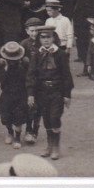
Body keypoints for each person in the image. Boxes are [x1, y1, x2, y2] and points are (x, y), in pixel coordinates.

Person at [26, 26, 74, 160]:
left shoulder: (60, 54)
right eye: (43, 37)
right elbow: (31, 74)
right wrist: (31, 93)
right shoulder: (36, 54)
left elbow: (66, 75)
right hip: (41, 91)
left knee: (55, 117)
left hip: (57, 91)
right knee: (46, 118)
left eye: (48, 37)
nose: (46, 40)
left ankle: (56, 147)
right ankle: (49, 145)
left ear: (54, 38)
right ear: (39, 39)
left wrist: (67, 95)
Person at [0, 41, 29, 149]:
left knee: (19, 116)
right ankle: (10, 132)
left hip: (20, 94)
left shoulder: (23, 66)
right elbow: (1, 81)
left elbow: (26, 79)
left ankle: (18, 137)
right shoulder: (2, 67)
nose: (12, 61)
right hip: (7, 94)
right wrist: (4, 69)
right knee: (6, 115)